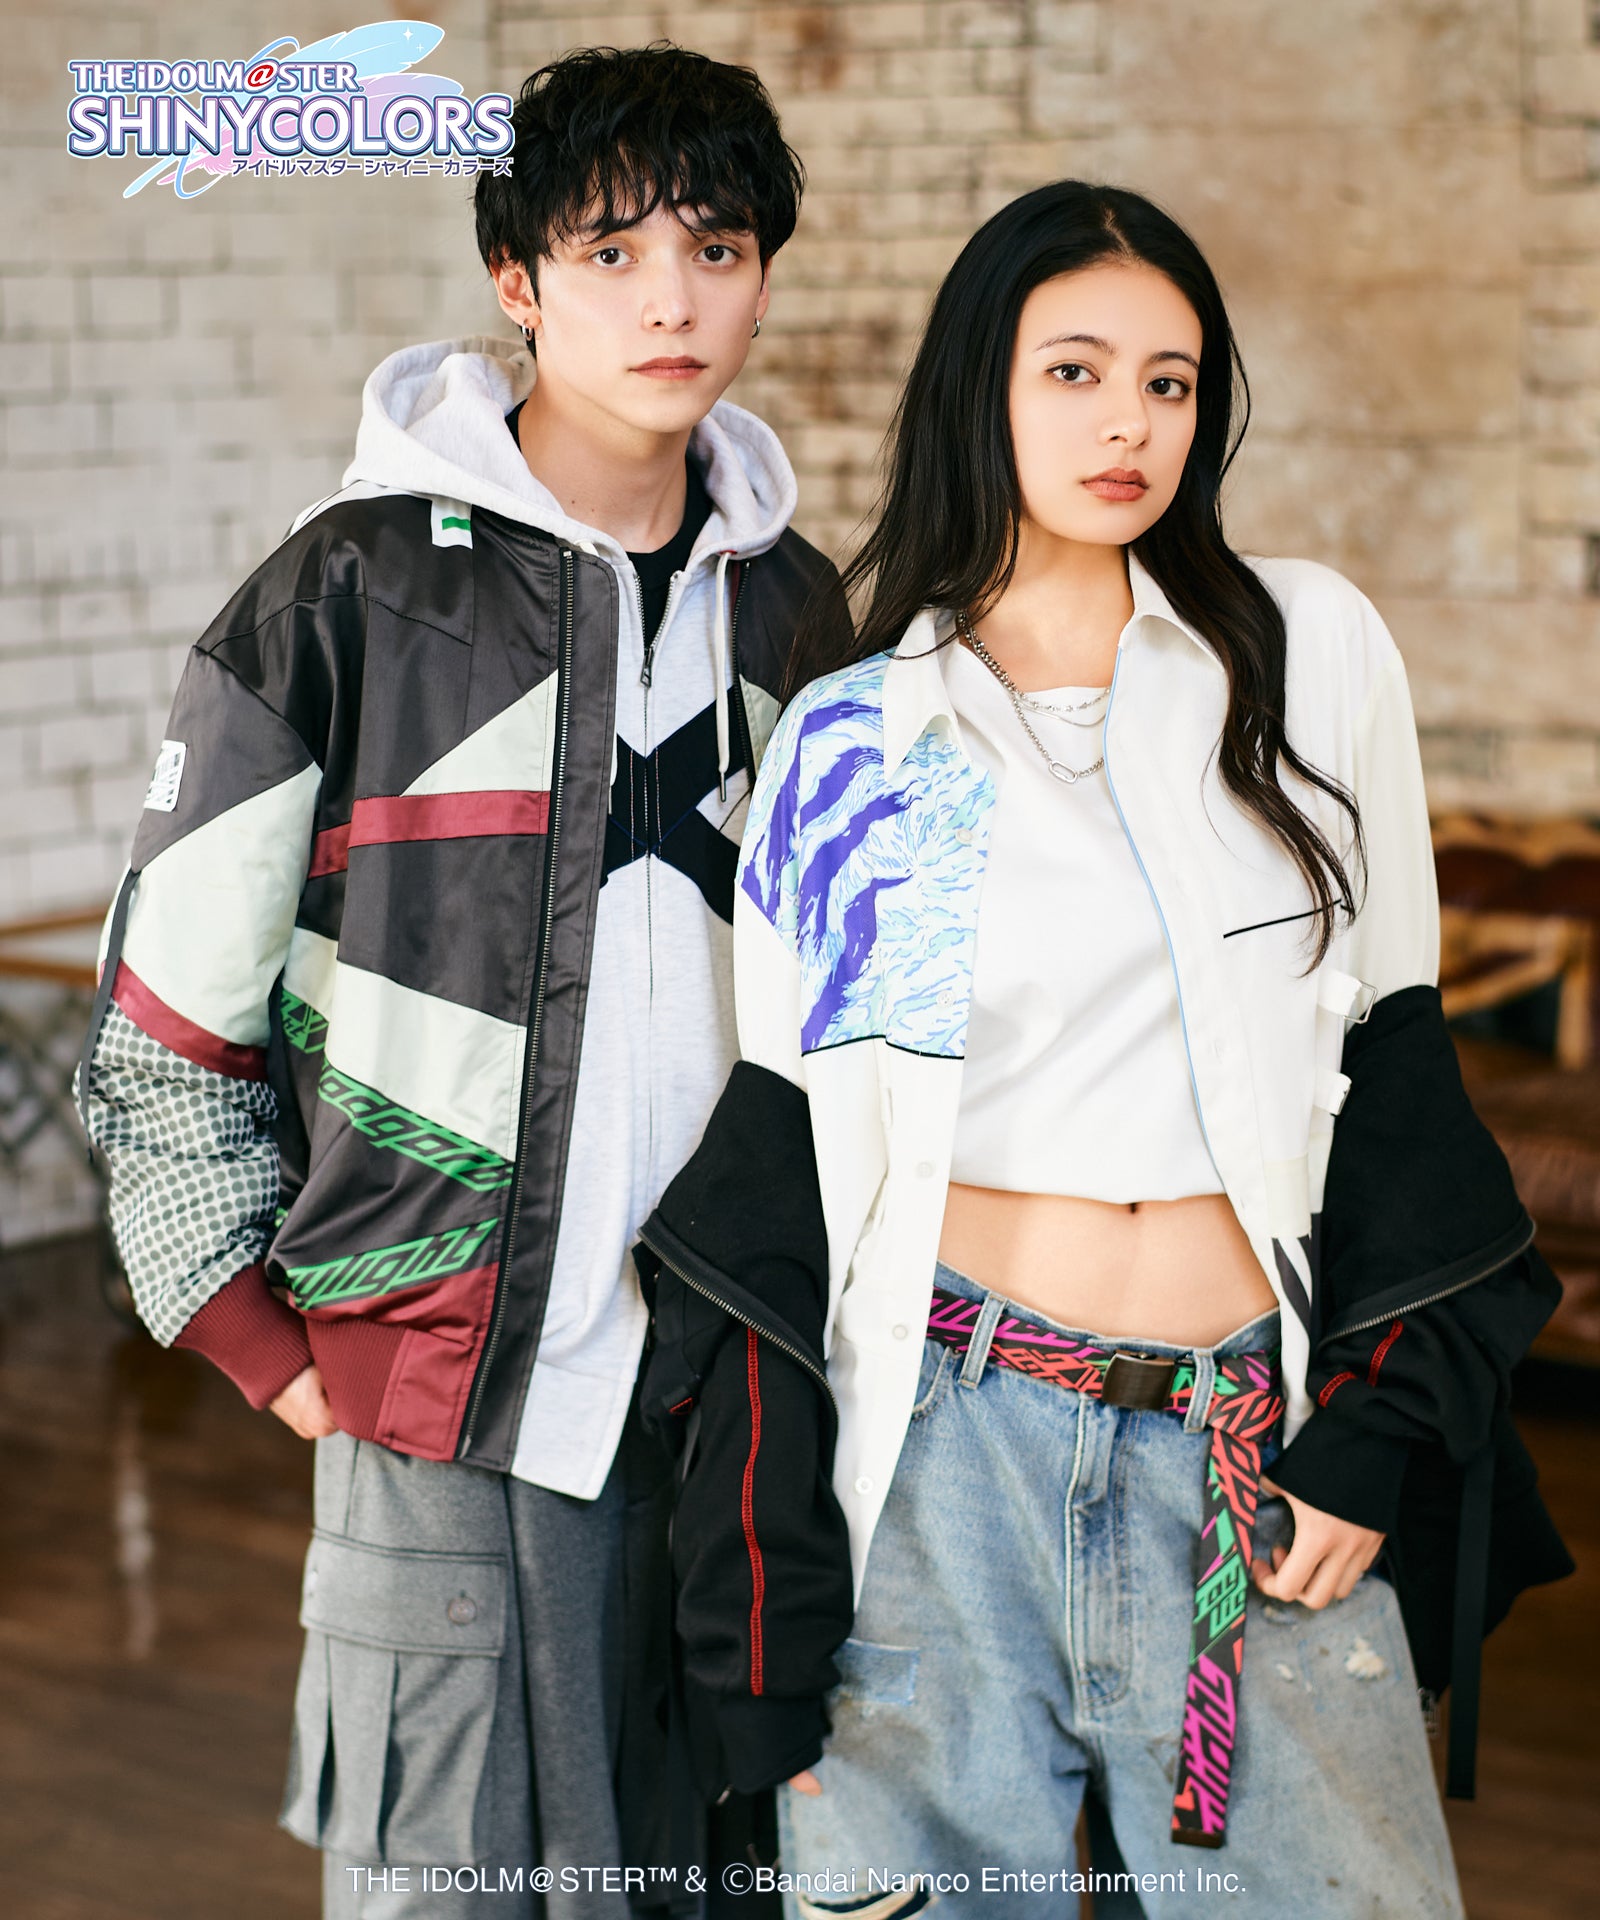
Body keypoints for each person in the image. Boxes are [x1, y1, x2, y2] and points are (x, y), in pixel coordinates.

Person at [634, 181, 1573, 1915]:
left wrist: (1372, 1431)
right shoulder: (872, 735)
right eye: (1073, 371)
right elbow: (800, 1165)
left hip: (1249, 1449)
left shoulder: (1299, 652)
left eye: (1169, 381)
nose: (1128, 422)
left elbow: (1399, 1064)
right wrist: (761, 1622)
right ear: (980, 389)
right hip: (944, 1455)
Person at [77, 44, 847, 1919]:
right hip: (432, 1409)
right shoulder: (343, 594)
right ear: (517, 278)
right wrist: (268, 1351)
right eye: (611, 251)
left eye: (718, 249)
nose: (671, 301)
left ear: (764, 278)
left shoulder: (806, 616)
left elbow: (864, 1017)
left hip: (730, 1414)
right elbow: (165, 1019)